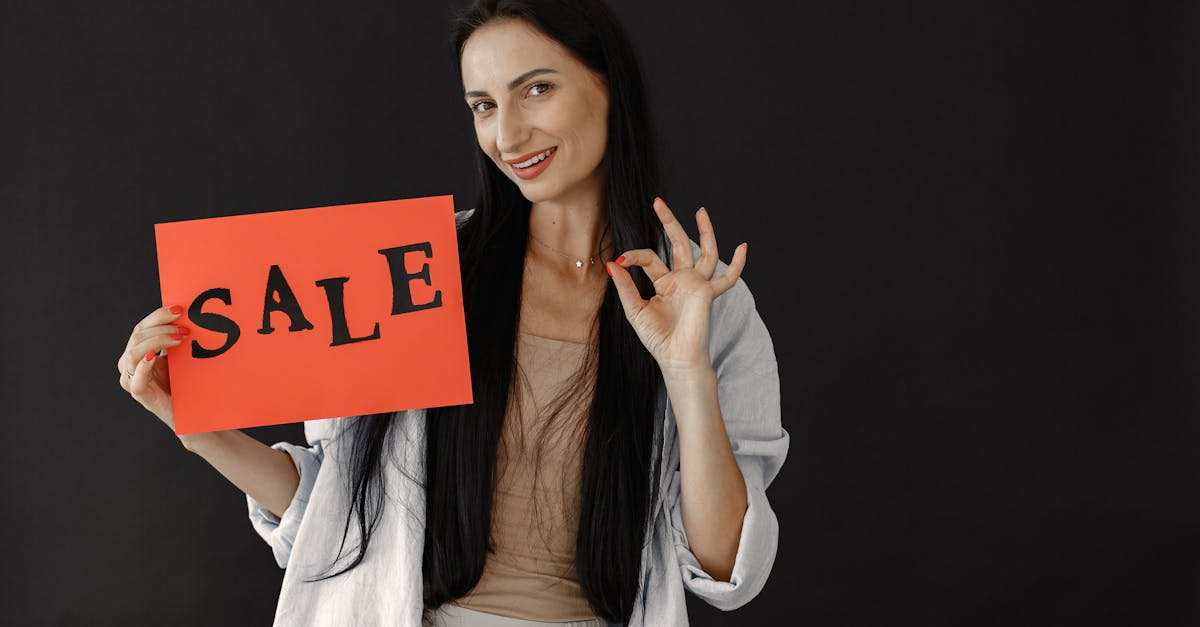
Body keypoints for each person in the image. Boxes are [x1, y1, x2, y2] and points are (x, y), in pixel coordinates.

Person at [116, 0, 788, 625]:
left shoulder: (702, 305)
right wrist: (196, 426)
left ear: (608, 84)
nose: (508, 132)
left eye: (537, 89)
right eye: (483, 104)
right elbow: (329, 514)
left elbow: (729, 569)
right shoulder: (418, 272)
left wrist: (685, 369)